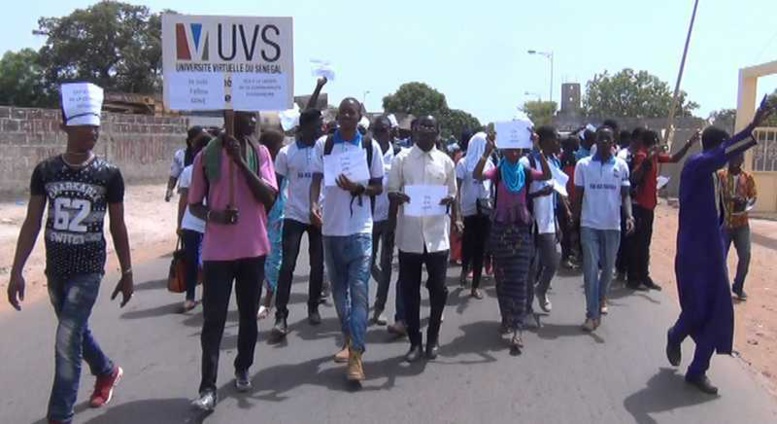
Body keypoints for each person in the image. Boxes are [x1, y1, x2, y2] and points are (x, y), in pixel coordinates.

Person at [7, 82, 133, 424]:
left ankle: (59, 415)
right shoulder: (46, 171)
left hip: (89, 268)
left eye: (96, 125)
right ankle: (106, 371)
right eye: (85, 125)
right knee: (74, 330)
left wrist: (127, 271)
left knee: (66, 337)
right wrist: (16, 270)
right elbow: (32, 222)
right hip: (56, 268)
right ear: (65, 125)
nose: (93, 131)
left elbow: (118, 227)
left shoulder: (109, 175)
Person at [667, 97, 773, 395]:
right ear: (717, 147)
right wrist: (752, 126)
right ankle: (675, 334)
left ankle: (697, 370)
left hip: (713, 252)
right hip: (693, 253)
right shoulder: (697, 166)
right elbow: (724, 152)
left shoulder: (712, 174)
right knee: (698, 309)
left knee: (719, 311)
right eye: (725, 148)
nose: (730, 156)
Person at [189, 111, 278, 411]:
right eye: (245, 115)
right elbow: (194, 206)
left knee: (248, 316)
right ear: (231, 117)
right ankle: (207, 388)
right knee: (213, 322)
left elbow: (268, 198)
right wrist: (215, 216)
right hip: (218, 253)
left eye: (255, 116)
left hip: (253, 249)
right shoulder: (207, 156)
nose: (253, 120)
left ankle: (243, 366)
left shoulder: (260, 153)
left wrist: (240, 162)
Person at [310, 97, 384, 382]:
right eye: (342, 112)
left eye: (351, 113)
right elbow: (316, 179)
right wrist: (312, 203)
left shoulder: (369, 146)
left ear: (360, 116)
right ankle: (348, 338)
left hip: (360, 230)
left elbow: (378, 186)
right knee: (341, 298)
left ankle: (356, 356)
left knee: (360, 293)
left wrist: (358, 188)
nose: (345, 117)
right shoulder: (324, 145)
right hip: (331, 230)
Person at [474, 130, 551, 353]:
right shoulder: (497, 171)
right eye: (510, 149)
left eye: (518, 149)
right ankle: (506, 317)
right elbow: (478, 175)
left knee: (519, 279)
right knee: (502, 278)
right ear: (504, 150)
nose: (515, 153)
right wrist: (487, 153)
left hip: (520, 231)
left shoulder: (526, 172)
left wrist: (539, 149)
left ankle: (517, 328)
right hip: (500, 231)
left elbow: (546, 175)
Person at [388, 115, 457, 362]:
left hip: (437, 236)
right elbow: (391, 191)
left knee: (439, 289)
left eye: (432, 126)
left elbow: (452, 193)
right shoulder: (402, 159)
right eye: (422, 126)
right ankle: (415, 342)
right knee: (410, 291)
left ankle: (433, 338)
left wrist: (450, 202)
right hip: (410, 236)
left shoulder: (446, 162)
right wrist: (399, 197)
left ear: (438, 131)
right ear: (415, 131)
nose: (427, 130)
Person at [271, 78, 328, 337]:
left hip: (319, 217)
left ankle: (313, 306)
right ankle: (280, 316)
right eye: (317, 127)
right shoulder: (286, 154)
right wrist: (268, 216)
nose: (321, 130)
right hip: (294, 216)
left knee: (318, 265)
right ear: (304, 128)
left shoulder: (325, 149)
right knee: (288, 265)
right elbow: (276, 186)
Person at [573, 127, 634, 332]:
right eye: (601, 139)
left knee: (608, 270)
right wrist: (574, 221)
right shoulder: (583, 166)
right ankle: (591, 314)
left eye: (608, 139)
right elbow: (578, 196)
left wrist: (629, 216)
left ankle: (601, 299)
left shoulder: (622, 166)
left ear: (614, 141)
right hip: (589, 224)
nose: (605, 142)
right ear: (595, 142)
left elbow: (625, 195)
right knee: (590, 270)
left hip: (612, 225)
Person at [628, 129, 696, 291]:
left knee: (645, 243)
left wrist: (689, 143)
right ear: (651, 142)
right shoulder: (642, 156)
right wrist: (651, 156)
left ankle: (644, 276)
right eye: (656, 142)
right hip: (640, 206)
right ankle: (634, 278)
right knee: (638, 244)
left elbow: (674, 158)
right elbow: (635, 176)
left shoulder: (654, 156)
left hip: (649, 205)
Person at [523, 126, 564, 314]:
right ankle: (527, 305)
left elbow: (555, 194)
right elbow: (519, 196)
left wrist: (556, 220)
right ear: (544, 141)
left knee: (553, 260)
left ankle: (541, 290)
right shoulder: (527, 161)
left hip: (548, 221)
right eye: (555, 138)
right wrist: (539, 193)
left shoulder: (552, 162)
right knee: (530, 267)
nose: (558, 142)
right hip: (530, 222)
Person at [176, 127, 212, 312]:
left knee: (208, 262)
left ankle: (208, 297)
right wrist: (179, 223)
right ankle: (190, 296)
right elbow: (183, 200)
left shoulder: (219, 171)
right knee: (192, 261)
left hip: (211, 224)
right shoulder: (188, 172)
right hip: (191, 223)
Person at [457, 131, 495, 299]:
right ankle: (465, 268)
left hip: (485, 210)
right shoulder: (463, 163)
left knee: (481, 248)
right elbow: (456, 188)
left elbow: (492, 188)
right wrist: (457, 213)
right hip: (469, 210)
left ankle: (475, 286)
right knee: (467, 244)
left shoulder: (491, 164)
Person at [370, 116, 397, 326]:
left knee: (386, 263)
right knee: (367, 263)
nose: (379, 134)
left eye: (382, 130)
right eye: (375, 130)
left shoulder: (398, 155)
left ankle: (379, 307)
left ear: (391, 132)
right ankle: (380, 283)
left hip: (389, 218)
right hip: (367, 218)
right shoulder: (366, 152)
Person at [258, 129, 288, 319]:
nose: (282, 148)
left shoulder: (281, 163)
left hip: (277, 215)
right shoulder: (260, 164)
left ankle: (268, 299)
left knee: (273, 259)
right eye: (279, 145)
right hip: (260, 214)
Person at [719, 152, 757, 300]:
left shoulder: (747, 178)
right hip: (725, 223)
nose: (736, 161)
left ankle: (738, 285)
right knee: (721, 257)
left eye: (739, 158)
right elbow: (715, 194)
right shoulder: (721, 176)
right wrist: (729, 199)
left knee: (745, 255)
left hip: (742, 223)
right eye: (733, 158)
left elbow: (753, 196)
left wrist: (745, 202)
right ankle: (722, 288)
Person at [614, 127, 643, 281]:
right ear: (636, 139)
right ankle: (620, 268)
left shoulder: (640, 156)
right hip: (622, 201)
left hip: (636, 201)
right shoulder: (623, 156)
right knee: (625, 238)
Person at [166, 127, 204, 201]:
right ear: (191, 141)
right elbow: (174, 175)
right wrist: (169, 190)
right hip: (186, 190)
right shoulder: (181, 155)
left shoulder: (208, 155)